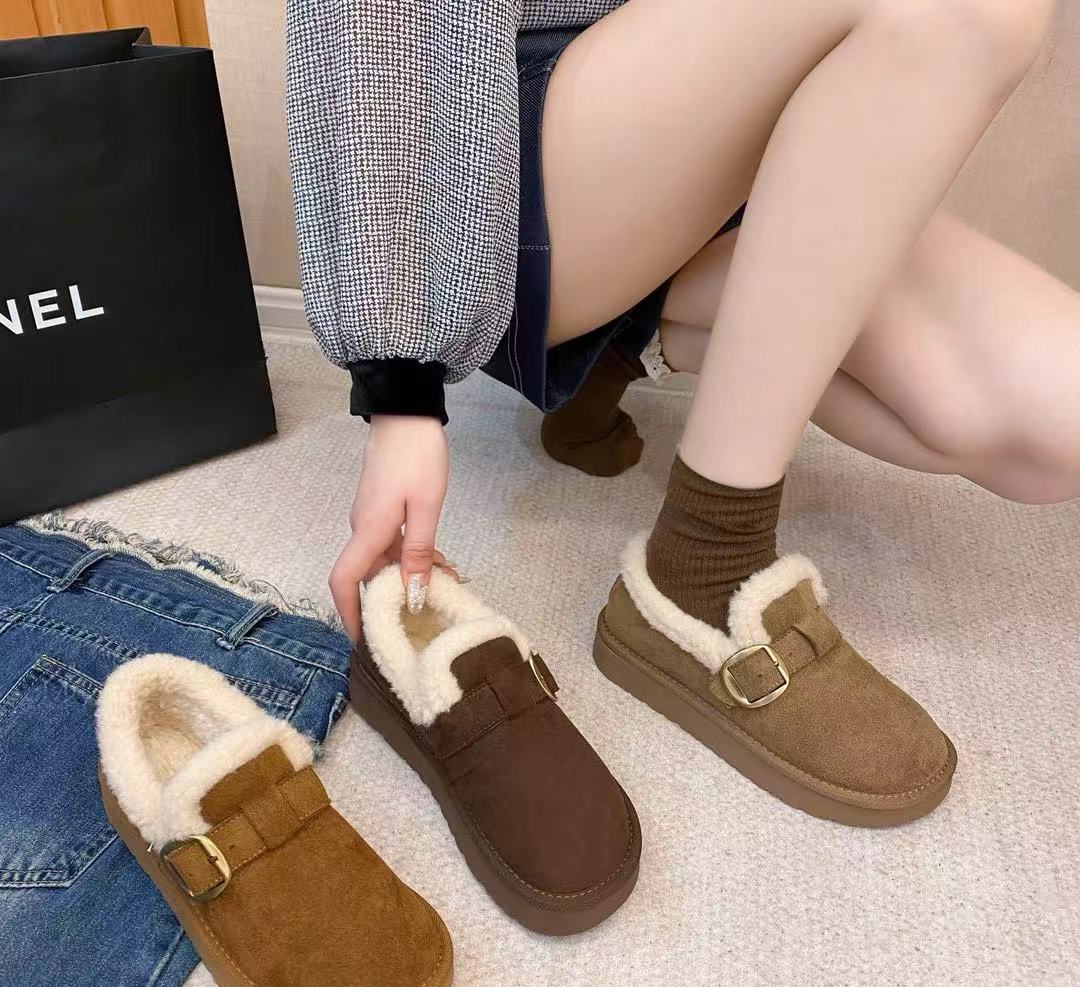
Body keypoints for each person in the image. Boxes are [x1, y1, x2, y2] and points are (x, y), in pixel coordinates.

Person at [286, 0, 1077, 820]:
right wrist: (400, 381)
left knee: (1055, 433)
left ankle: (628, 346)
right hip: (503, 138)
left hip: (744, 143)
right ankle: (706, 560)